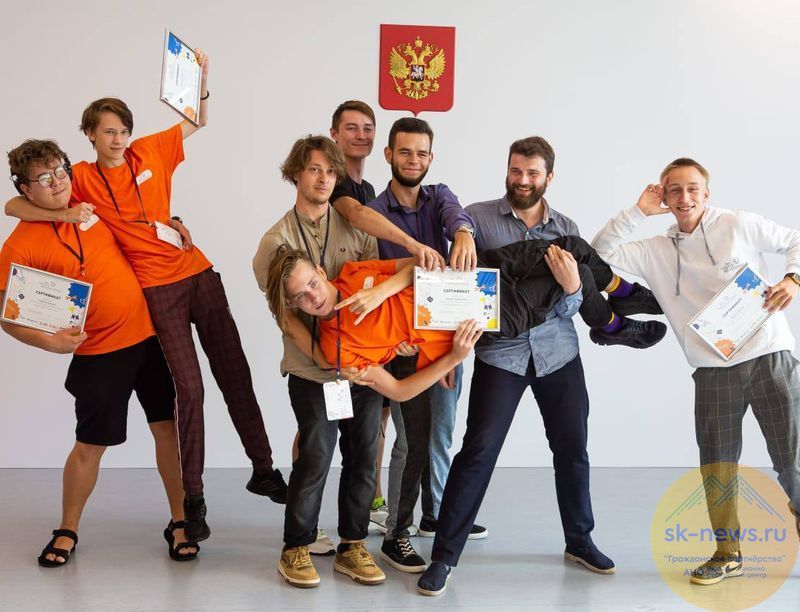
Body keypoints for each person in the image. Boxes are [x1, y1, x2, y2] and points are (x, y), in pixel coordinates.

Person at [3, 51, 287, 543]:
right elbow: (15, 206)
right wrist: (61, 216)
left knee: (223, 381)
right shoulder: (72, 187)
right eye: (107, 131)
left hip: (182, 290)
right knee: (178, 398)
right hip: (136, 315)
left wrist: (200, 83)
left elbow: (196, 122)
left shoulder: (138, 158)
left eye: (123, 130)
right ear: (89, 135)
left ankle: (250, 477)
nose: (118, 139)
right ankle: (178, 505)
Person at [417, 136, 654, 596]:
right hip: (500, 354)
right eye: (515, 171)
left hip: (558, 353)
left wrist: (572, 289)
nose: (522, 180)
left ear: (549, 177)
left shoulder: (565, 224)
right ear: (507, 170)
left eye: (531, 173)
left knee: (573, 449)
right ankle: (444, 556)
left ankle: (579, 540)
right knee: (478, 452)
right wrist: (443, 354)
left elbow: (568, 308)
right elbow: (454, 289)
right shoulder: (477, 220)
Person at [592, 157, 800, 585]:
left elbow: (795, 240)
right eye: (674, 190)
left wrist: (793, 279)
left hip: (767, 354)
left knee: (792, 461)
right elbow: (597, 254)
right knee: (717, 468)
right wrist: (637, 212)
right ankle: (727, 553)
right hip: (712, 370)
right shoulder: (655, 250)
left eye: (692, 189)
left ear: (707, 193)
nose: (684, 197)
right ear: (664, 197)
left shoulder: (738, 224)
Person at [1, 139, 197, 565]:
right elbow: (8, 316)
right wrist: (51, 342)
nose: (57, 182)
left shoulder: (89, 205)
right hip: (99, 353)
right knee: (90, 444)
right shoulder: (19, 245)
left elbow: (137, 215)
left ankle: (180, 521)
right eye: (44, 178)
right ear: (26, 188)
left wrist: (172, 222)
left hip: (151, 338)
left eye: (61, 171)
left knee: (168, 430)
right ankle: (67, 529)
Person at [252, 135, 385, 588]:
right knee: (317, 455)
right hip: (312, 370)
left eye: (331, 171)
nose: (324, 179)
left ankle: (353, 545)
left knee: (364, 456)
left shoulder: (358, 227)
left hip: (360, 366)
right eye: (314, 169)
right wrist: (327, 360)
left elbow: (371, 292)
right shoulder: (275, 241)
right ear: (295, 174)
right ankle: (296, 545)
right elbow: (286, 319)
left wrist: (369, 356)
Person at [363, 116, 487, 573]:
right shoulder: (375, 212)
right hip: (402, 349)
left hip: (449, 342)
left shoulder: (439, 198)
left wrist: (464, 232)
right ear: (389, 155)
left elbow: (458, 215)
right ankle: (398, 529)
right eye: (404, 151)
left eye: (421, 153)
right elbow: (375, 280)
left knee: (442, 434)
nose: (413, 160)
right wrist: (394, 344)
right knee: (408, 441)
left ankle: (435, 513)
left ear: (431, 158)